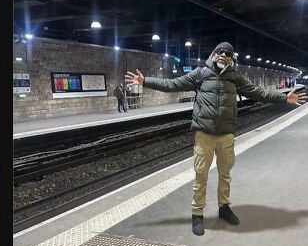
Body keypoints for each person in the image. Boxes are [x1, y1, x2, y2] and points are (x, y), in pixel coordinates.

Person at [126, 42, 306, 236]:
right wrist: (145, 82)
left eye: (227, 53)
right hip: (204, 134)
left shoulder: (235, 77)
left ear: (232, 58)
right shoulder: (200, 74)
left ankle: (224, 208)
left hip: (226, 135)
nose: (222, 55)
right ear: (213, 54)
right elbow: (173, 84)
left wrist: (285, 99)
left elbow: (257, 92)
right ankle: (197, 214)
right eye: (219, 51)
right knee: (201, 175)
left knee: (225, 174)